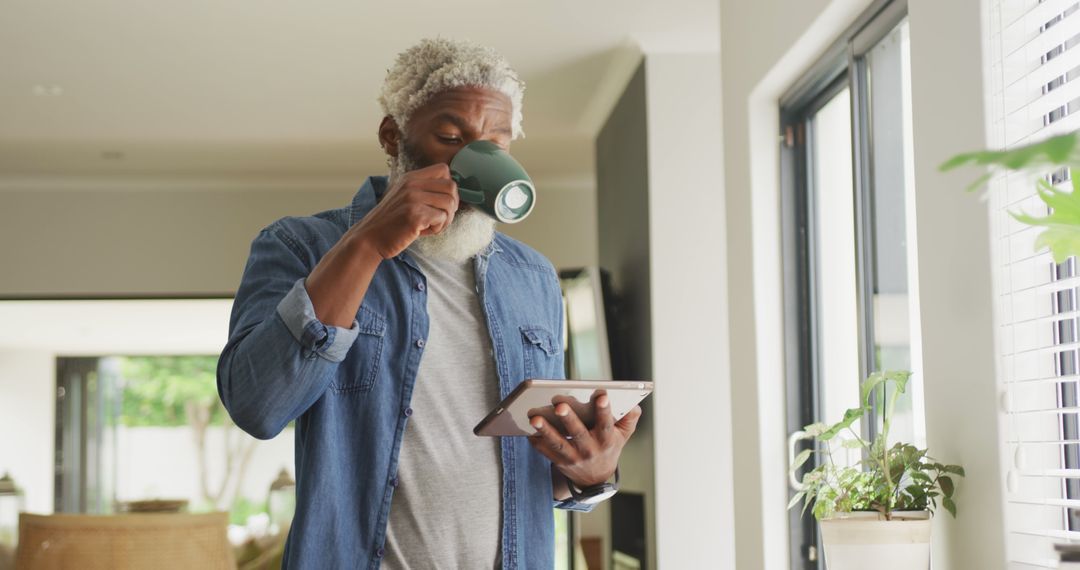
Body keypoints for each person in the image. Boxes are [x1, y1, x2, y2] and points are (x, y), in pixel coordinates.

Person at [217, 38, 641, 569]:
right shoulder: (301, 246)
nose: (478, 158)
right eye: (450, 137)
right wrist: (367, 243)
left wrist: (591, 473)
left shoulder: (533, 277)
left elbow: (530, 469)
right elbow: (257, 406)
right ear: (393, 138)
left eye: (496, 143)